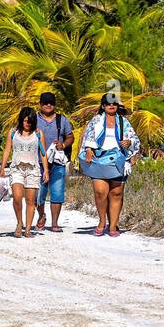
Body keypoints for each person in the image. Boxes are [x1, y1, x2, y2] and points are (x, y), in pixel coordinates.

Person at [81, 93, 141, 237]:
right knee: (100, 192)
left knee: (116, 193)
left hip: (118, 159)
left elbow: (134, 138)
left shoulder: (123, 121)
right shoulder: (96, 120)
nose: (111, 106)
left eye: (114, 103)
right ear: (103, 106)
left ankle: (113, 226)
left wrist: (130, 143)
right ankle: (102, 221)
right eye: (108, 103)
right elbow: (87, 137)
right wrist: (88, 149)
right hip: (99, 159)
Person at [0, 108, 49, 238]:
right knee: (16, 197)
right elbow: (7, 150)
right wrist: (2, 168)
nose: (28, 124)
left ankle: (27, 229)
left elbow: (43, 154)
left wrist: (46, 171)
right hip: (17, 168)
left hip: (33, 170)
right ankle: (19, 223)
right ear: (21, 120)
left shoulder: (38, 133)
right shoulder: (13, 132)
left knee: (31, 201)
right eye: (25, 121)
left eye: (30, 121)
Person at [33, 92, 73, 233]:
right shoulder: (34, 119)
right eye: (45, 102)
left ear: (55, 104)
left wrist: (63, 144)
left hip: (57, 163)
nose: (48, 105)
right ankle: (41, 215)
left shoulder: (62, 120)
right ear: (40, 104)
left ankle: (55, 223)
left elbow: (70, 137)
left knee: (57, 192)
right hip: (37, 162)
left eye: (51, 102)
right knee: (38, 193)